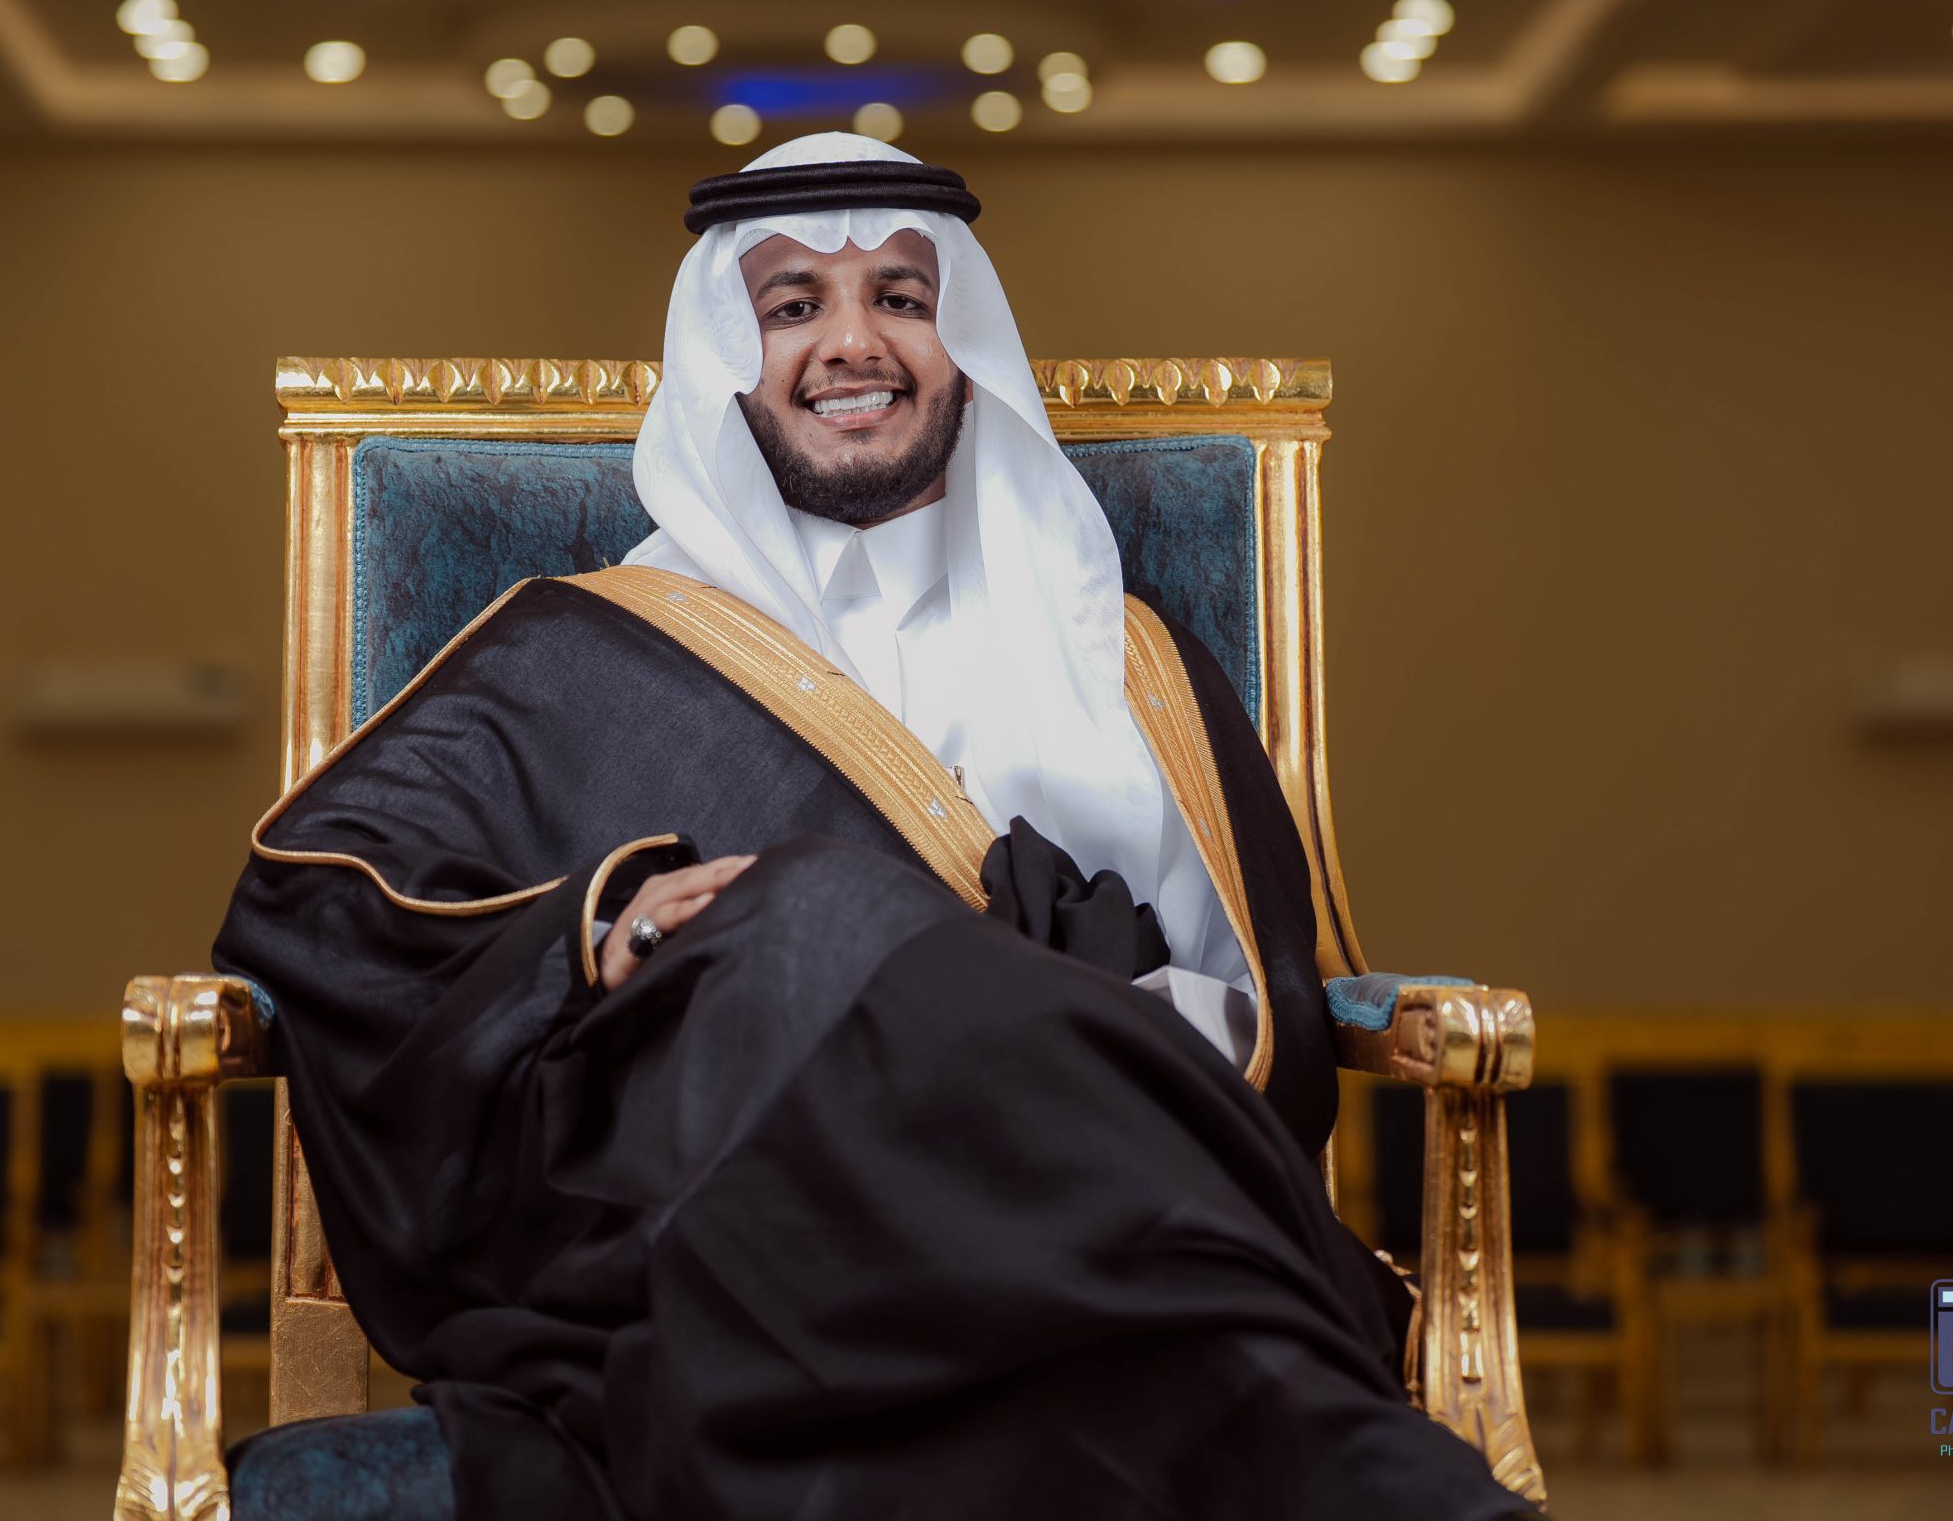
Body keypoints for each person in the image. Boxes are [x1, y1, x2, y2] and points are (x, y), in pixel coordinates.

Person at [212, 132, 1529, 1520]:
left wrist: (1018, 1023)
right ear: (729, 357)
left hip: (1082, 1195)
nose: (853, 342)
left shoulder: (1125, 665)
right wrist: (602, 928)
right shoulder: (574, 651)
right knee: (806, 909)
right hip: (749, 1225)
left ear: (965, 344)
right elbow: (315, 899)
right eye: (793, 306)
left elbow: (1264, 1033)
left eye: (902, 296)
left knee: (833, 916)